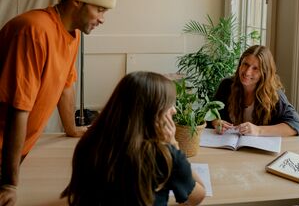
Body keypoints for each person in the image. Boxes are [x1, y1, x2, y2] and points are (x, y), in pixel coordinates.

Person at [0, 0, 116, 206]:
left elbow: (65, 85)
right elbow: (18, 108)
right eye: (99, 9)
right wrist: (9, 183)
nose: (102, 19)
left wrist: (72, 129)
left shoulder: (72, 33)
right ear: (76, 1)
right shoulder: (34, 30)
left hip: (16, 150)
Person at [61, 71, 206, 206]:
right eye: (169, 104)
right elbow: (197, 196)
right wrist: (175, 148)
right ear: (153, 112)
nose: (174, 110)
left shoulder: (89, 142)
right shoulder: (165, 155)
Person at [212, 45, 299, 137]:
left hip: (258, 149)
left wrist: (258, 130)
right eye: (245, 64)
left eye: (255, 68)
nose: (247, 72)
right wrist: (216, 122)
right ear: (240, 64)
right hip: (227, 146)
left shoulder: (274, 94)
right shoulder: (226, 85)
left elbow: (295, 124)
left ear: (264, 73)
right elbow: (210, 113)